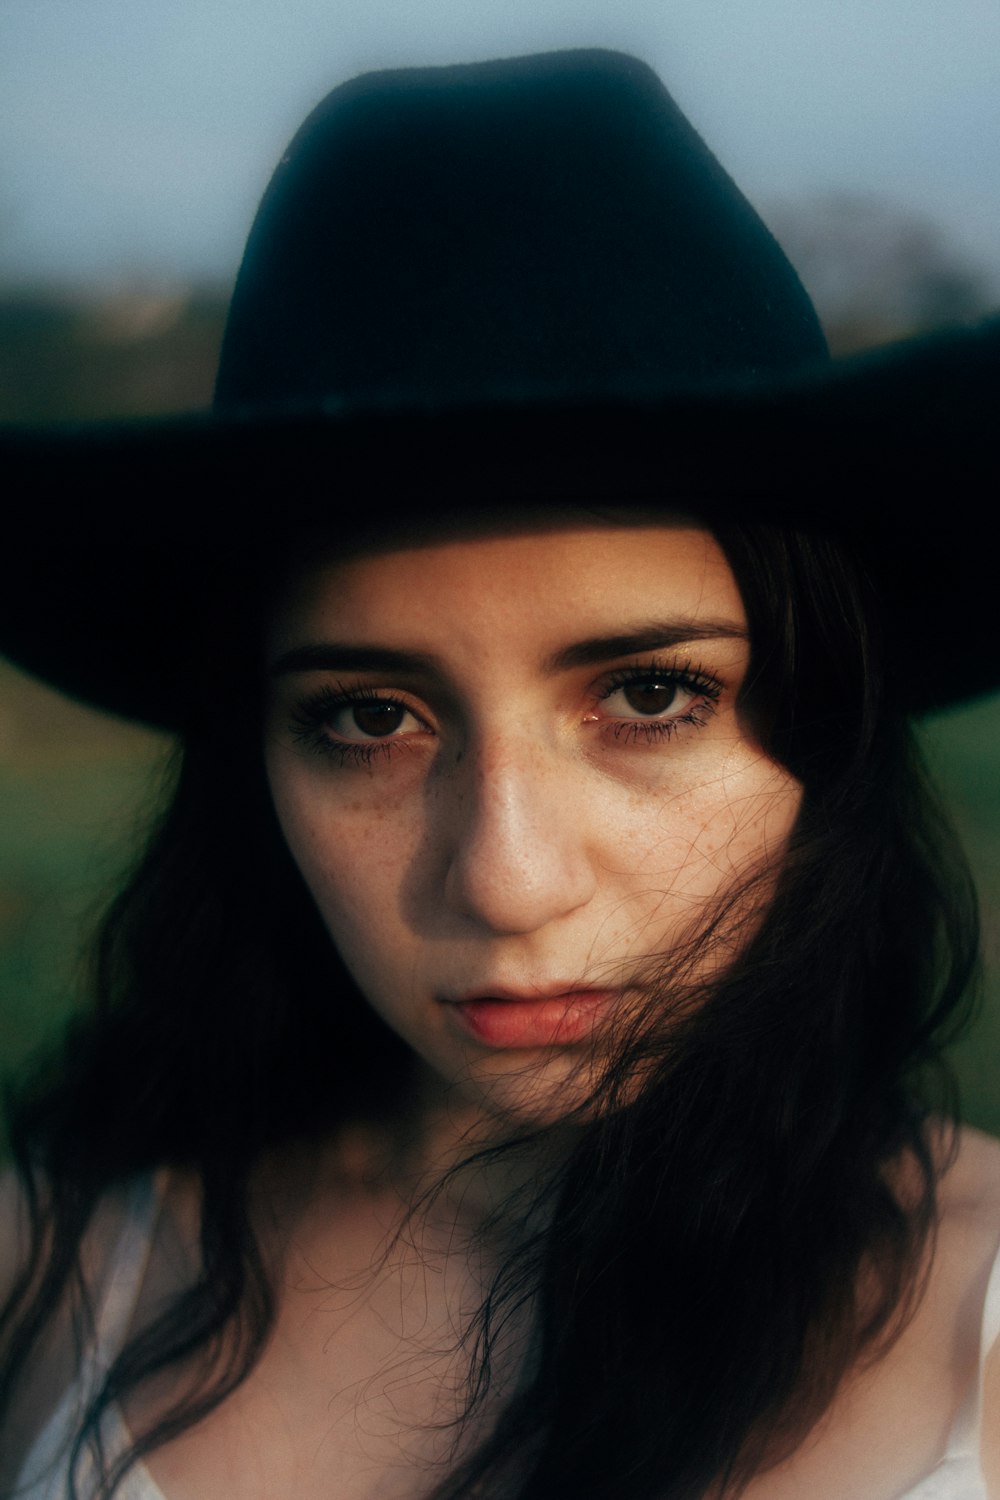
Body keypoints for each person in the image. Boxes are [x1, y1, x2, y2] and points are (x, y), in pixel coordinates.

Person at [1, 48, 999, 1500]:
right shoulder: (51, 1270)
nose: (504, 878)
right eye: (367, 719)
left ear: (827, 715)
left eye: (651, 695)